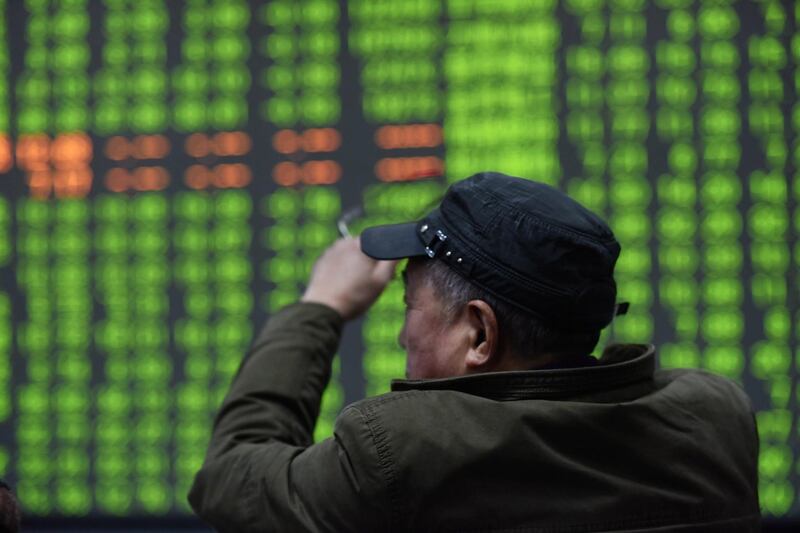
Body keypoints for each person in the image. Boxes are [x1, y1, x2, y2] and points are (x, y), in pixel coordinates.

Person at [189, 171, 760, 532]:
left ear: (480, 335)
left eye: (408, 308)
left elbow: (230, 475)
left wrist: (319, 306)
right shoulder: (716, 419)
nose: (401, 336)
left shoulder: (407, 454)